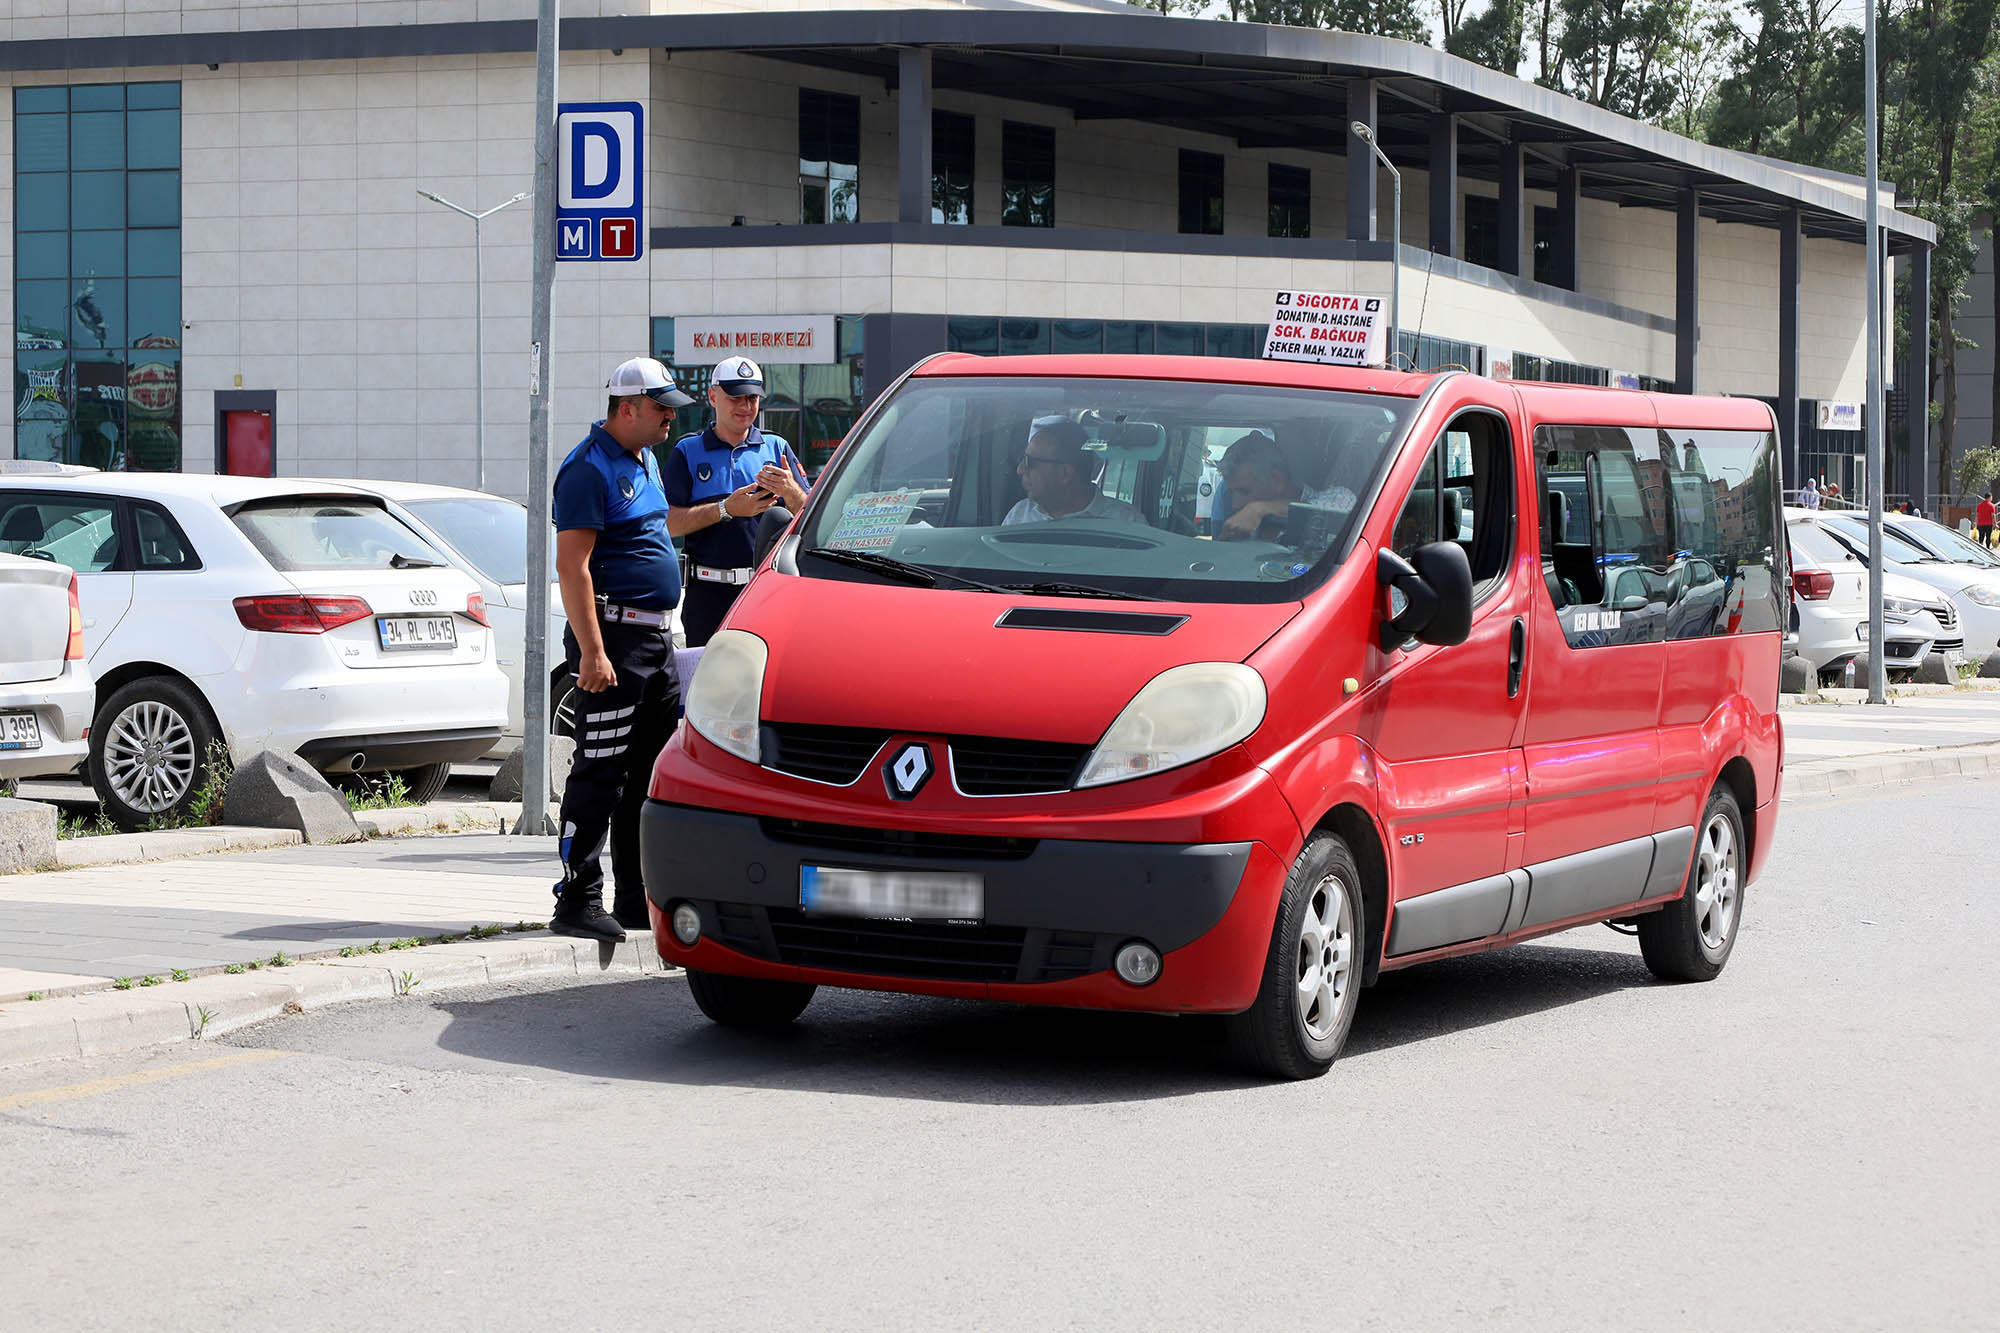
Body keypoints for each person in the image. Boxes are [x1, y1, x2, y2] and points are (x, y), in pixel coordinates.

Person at [547, 356, 695, 943]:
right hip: (615, 640)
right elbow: (573, 568)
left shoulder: (646, 458)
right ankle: (578, 896)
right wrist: (592, 652)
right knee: (600, 774)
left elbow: (657, 531)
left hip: (657, 639)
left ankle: (634, 897)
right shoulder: (587, 468)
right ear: (626, 408)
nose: (669, 419)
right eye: (661, 408)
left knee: (651, 774)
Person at [664, 356, 809, 646]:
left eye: (752, 398)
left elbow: (810, 515)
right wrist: (726, 509)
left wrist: (790, 491)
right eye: (735, 397)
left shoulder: (776, 447)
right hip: (708, 594)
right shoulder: (688, 451)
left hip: (766, 590)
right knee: (709, 684)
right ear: (713, 396)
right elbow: (668, 523)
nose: (745, 406)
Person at [1214, 430, 1353, 541]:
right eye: (1232, 493)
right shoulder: (1245, 523)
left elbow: (1332, 513)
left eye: (1245, 491)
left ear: (1277, 479)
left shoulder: (1338, 498)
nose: (1235, 505)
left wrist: (1260, 509)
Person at [1003, 418, 1143, 525]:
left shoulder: (1127, 523)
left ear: (1065, 473)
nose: (1020, 469)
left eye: (1029, 462)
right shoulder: (1019, 515)